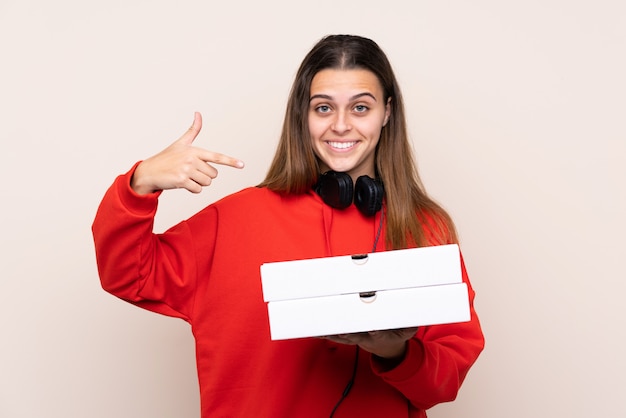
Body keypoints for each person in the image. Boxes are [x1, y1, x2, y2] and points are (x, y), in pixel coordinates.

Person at [92, 34, 484, 418]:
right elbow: (128, 275)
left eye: (361, 108)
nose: (342, 125)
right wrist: (139, 183)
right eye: (324, 108)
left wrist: (393, 351)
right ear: (303, 115)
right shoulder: (236, 219)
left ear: (388, 113)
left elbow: (445, 381)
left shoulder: (426, 228)